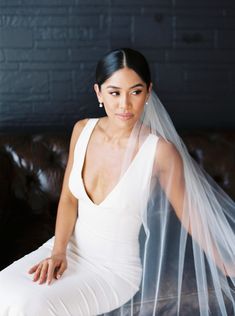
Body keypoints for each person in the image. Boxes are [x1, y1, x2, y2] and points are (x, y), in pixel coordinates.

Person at [0, 47, 234, 316]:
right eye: (115, 92)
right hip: (65, 249)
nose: (125, 105)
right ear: (99, 93)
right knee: (3, 289)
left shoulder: (160, 152)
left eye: (135, 92)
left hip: (112, 271)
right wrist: (58, 252)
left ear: (148, 92)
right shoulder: (82, 130)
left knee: (32, 306)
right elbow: (68, 198)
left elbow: (191, 215)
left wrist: (228, 263)